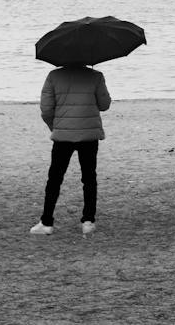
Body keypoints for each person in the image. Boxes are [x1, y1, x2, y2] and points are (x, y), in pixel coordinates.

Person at [30, 63, 111, 235]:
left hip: (63, 136)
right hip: (89, 134)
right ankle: (88, 221)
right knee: (89, 177)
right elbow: (104, 105)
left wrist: (55, 127)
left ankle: (46, 222)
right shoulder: (96, 76)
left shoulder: (53, 76)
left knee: (55, 178)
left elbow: (46, 109)